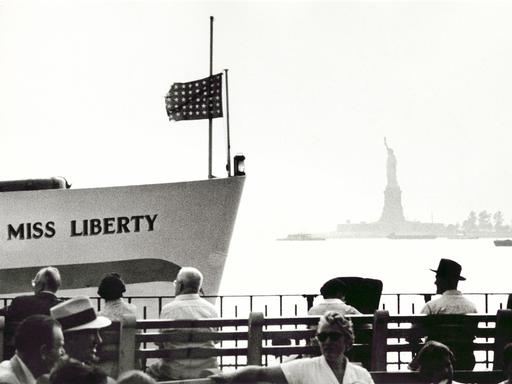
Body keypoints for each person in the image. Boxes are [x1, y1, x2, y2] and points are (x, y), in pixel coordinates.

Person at [210, 311, 374, 384]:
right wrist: (228, 377)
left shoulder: (361, 375)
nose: (328, 341)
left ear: (347, 340)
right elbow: (261, 372)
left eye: (334, 336)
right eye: (323, 337)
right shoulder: (305, 368)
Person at [147, 267, 219, 380]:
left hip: (174, 372)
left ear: (180, 285)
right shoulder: (211, 309)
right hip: (207, 371)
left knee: (150, 371)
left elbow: (159, 342)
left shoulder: (168, 310)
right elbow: (216, 340)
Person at [419, 259, 477, 370]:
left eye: (437, 278)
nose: (435, 282)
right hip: (465, 362)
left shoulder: (431, 307)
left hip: (436, 364)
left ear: (444, 280)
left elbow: (413, 335)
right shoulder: (472, 308)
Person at [4, 267, 63, 359]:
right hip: (50, 359)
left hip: (20, 356)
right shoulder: (62, 307)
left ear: (40, 285)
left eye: (34, 283)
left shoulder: (20, 302)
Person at [0, 315, 65, 384]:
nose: (63, 352)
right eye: (59, 346)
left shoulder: (11, 369)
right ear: (43, 351)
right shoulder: (7, 381)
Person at [50, 296, 111, 366]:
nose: (99, 340)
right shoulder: (64, 374)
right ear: (70, 338)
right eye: (92, 333)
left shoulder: (82, 369)